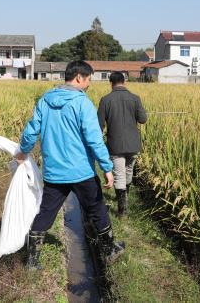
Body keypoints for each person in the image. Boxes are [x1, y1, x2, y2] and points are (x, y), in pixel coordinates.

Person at [16, 60, 125, 270]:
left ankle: (32, 261)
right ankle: (110, 250)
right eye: (88, 79)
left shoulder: (45, 101)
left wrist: (23, 151)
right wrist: (107, 167)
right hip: (81, 171)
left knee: (46, 212)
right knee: (97, 209)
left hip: (54, 172)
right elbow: (94, 138)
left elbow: (31, 131)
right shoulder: (83, 103)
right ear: (79, 78)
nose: (89, 84)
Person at [97, 71, 147, 217]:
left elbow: (100, 125)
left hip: (115, 145)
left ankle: (122, 211)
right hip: (133, 144)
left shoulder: (105, 100)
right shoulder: (135, 98)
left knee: (119, 174)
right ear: (124, 81)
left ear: (111, 83)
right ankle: (125, 198)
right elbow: (143, 119)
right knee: (129, 171)